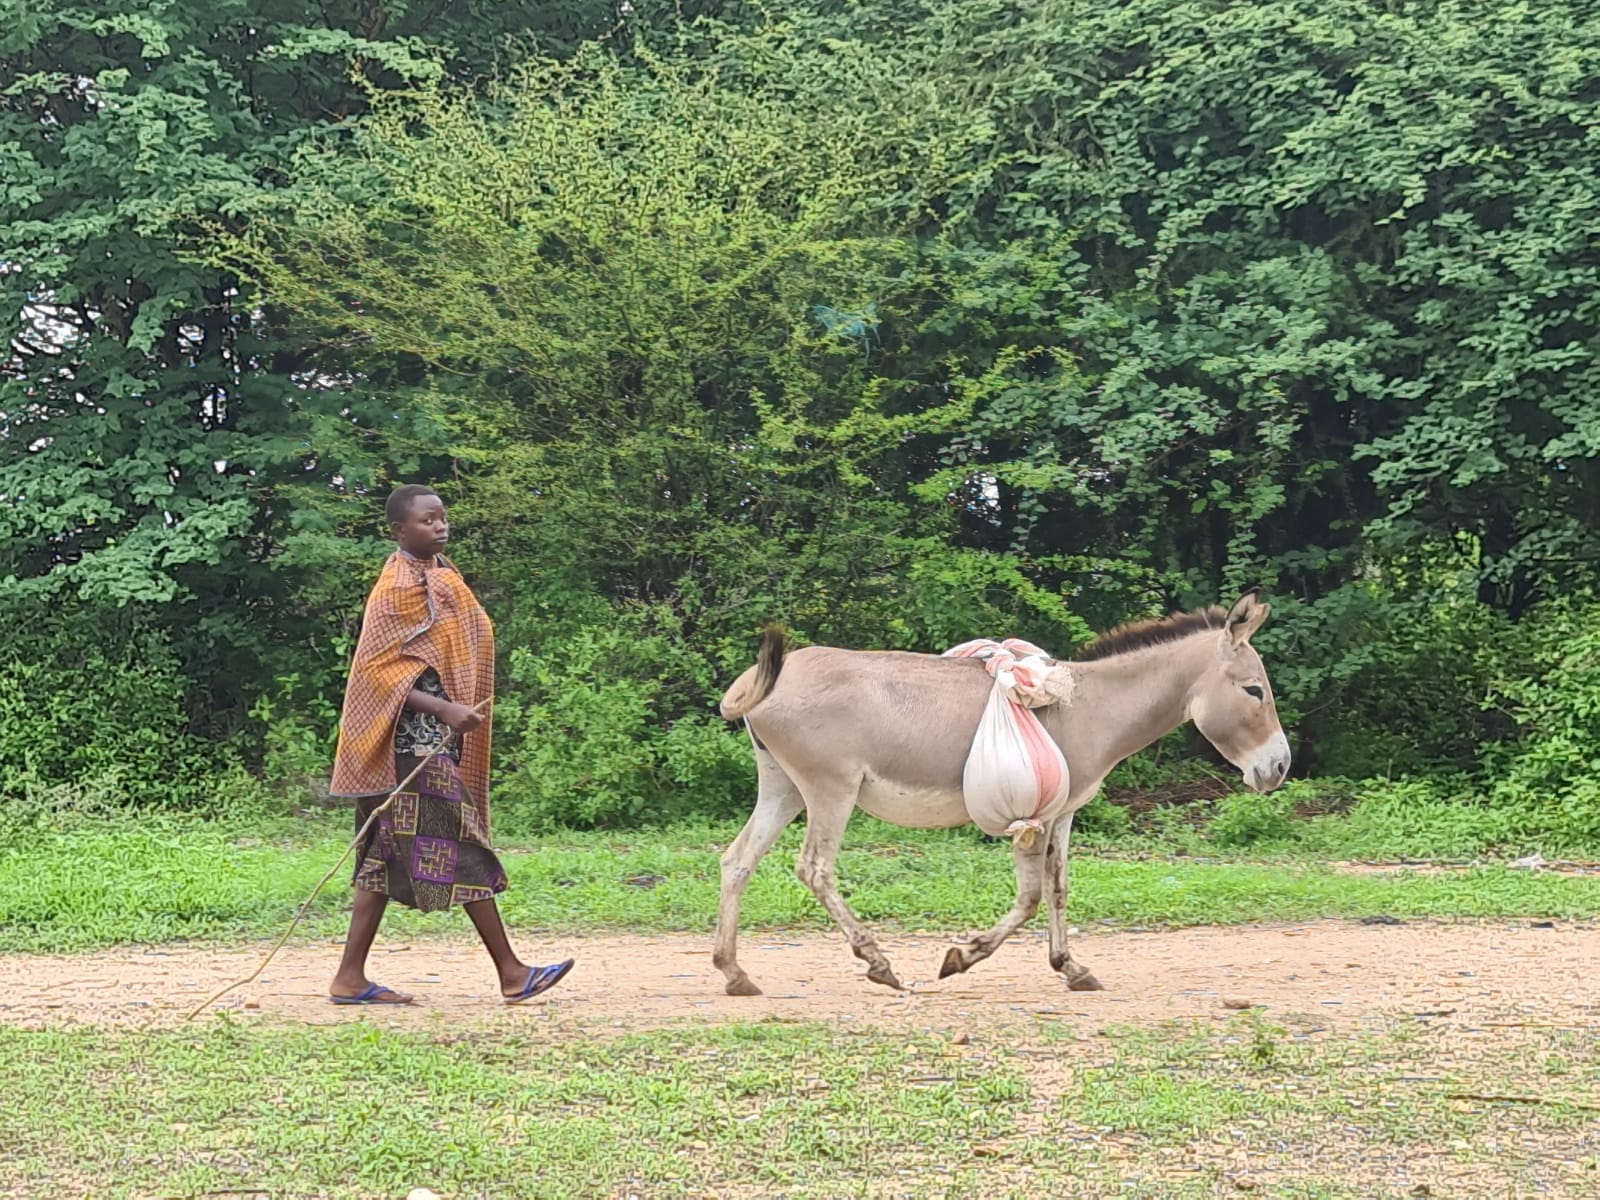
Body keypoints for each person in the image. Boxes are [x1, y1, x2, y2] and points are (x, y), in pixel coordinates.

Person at [326, 483, 574, 1005]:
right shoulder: (396, 587)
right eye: (427, 520)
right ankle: (512, 972)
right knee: (457, 845)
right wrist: (443, 709)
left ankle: (350, 977)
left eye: (442, 518)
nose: (440, 526)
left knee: (381, 857)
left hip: (432, 744)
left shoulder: (441, 575)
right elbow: (376, 673)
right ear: (398, 530)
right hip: (407, 749)